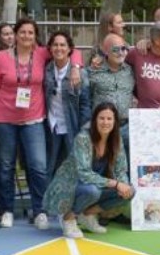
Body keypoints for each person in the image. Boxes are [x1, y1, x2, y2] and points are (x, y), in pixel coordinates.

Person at [0, 17, 70, 229]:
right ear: (15, 34)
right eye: (22, 32)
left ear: (35, 36)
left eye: (30, 32)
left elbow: (68, 51)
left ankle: (39, 210)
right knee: (6, 166)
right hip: (4, 119)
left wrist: (76, 66)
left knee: (38, 166)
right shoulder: (2, 58)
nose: (26, 36)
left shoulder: (42, 53)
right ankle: (7, 209)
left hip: (33, 119)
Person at [44, 102, 134, 238]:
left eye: (109, 119)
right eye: (101, 118)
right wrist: (116, 184)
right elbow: (84, 174)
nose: (105, 122)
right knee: (92, 190)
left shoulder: (116, 140)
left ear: (115, 122)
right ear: (95, 120)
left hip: (96, 185)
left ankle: (87, 214)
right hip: (71, 186)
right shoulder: (83, 138)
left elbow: (121, 170)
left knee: (130, 191)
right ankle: (68, 218)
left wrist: (124, 186)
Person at [43, 30, 89, 176]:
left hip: (73, 126)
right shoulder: (46, 70)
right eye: (55, 45)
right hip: (52, 126)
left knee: (75, 166)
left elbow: (85, 104)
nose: (59, 48)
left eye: (63, 45)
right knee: (51, 167)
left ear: (70, 49)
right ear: (50, 48)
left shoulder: (80, 73)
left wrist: (83, 130)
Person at [87, 32, 135, 150]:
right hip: (102, 128)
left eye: (123, 49)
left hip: (126, 127)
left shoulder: (130, 70)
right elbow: (86, 99)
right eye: (115, 49)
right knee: (101, 165)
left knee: (125, 165)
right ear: (105, 51)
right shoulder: (93, 71)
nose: (121, 53)